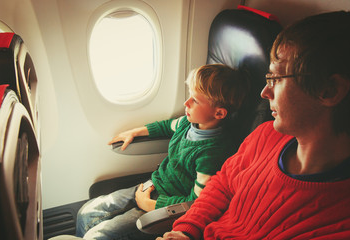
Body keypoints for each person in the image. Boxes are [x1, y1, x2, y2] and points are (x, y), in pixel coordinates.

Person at [157, 11, 350, 240]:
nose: (265, 92)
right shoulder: (265, 136)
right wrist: (186, 230)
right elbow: (223, 184)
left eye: (276, 79)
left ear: (329, 91)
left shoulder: (339, 222)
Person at [75, 64, 250, 240]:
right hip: (153, 184)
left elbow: (196, 202)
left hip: (166, 209)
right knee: (87, 212)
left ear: (219, 113)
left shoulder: (212, 154)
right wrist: (134, 132)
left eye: (195, 100)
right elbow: (166, 126)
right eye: (189, 95)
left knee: (97, 236)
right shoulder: (188, 124)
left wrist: (153, 205)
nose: (186, 103)